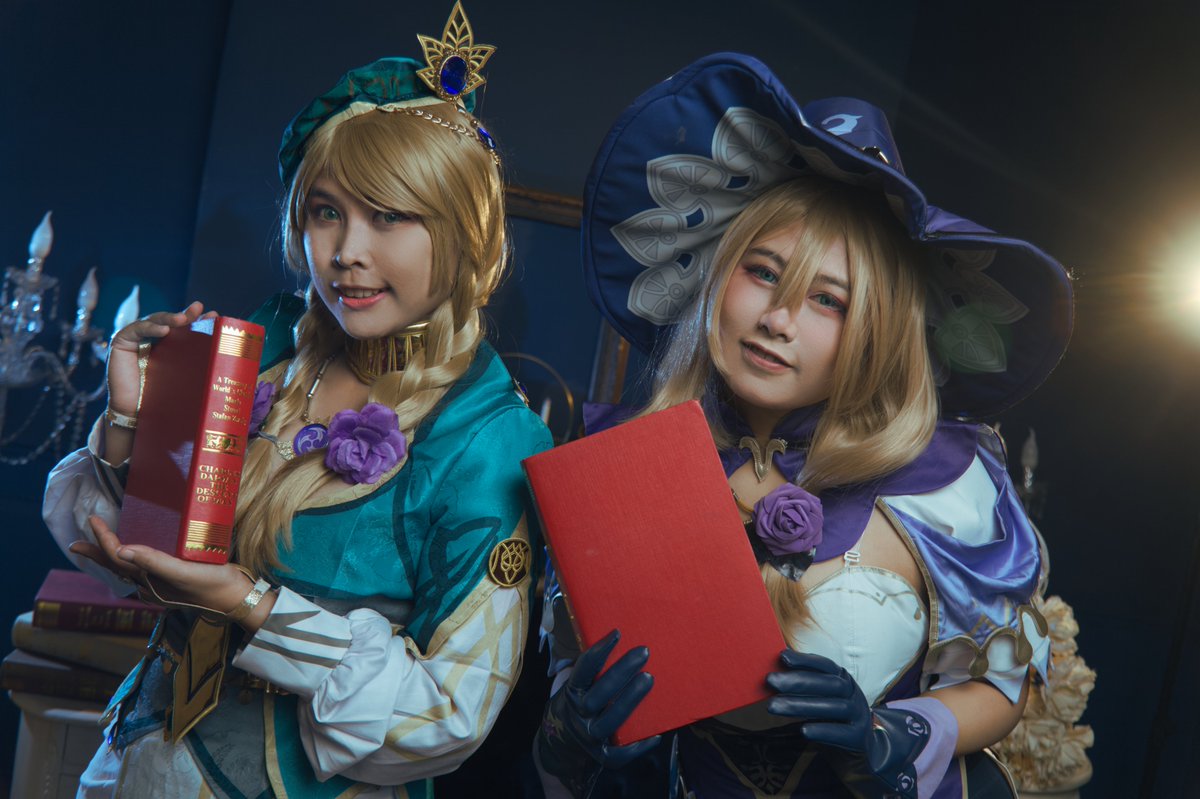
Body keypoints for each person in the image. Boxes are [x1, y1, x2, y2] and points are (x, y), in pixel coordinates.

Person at [41, 5, 553, 797]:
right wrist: (128, 420)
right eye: (326, 211)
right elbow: (127, 555)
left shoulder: (488, 439)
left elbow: (449, 713)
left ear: (461, 233)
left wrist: (249, 604)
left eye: (389, 216)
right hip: (136, 762)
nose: (346, 252)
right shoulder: (267, 350)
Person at [535, 53, 1072, 798]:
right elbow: (570, 685)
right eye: (762, 272)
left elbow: (1001, 688)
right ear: (717, 275)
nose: (778, 320)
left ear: (877, 329)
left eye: (829, 301)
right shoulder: (622, 464)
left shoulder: (945, 479)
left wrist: (889, 738)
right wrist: (572, 729)